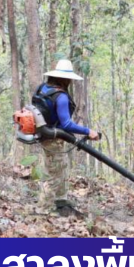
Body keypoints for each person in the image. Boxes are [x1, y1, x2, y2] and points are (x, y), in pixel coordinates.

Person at [33, 59, 100, 217]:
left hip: (45, 134)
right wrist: (87, 131)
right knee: (53, 174)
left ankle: (60, 201)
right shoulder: (61, 96)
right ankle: (43, 209)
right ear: (65, 79)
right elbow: (67, 124)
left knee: (61, 167)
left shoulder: (42, 88)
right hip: (54, 137)